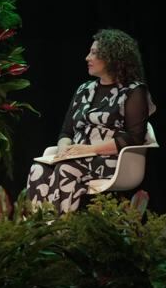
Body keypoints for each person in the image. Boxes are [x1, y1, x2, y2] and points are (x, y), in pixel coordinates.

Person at [27, 29, 155, 213]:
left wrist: (90, 150)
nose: (87, 57)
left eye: (94, 53)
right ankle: (40, 230)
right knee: (38, 169)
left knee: (66, 169)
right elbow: (66, 132)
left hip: (110, 160)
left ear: (112, 57)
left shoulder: (133, 91)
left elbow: (135, 137)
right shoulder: (84, 89)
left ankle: (61, 231)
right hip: (76, 157)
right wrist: (64, 150)